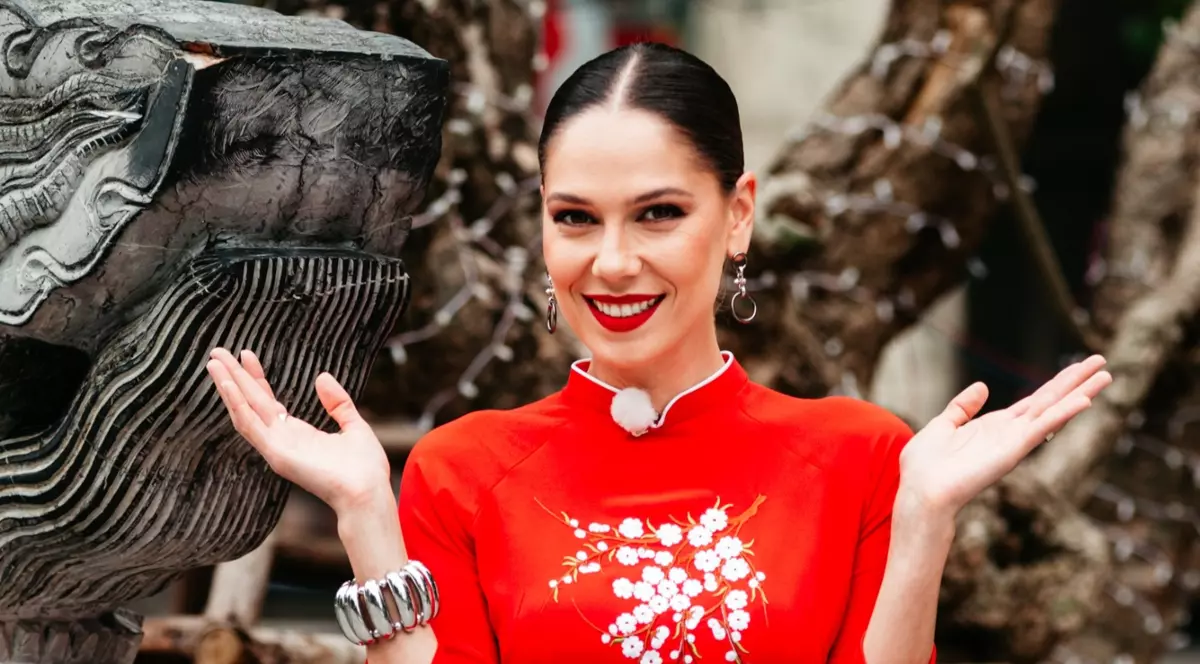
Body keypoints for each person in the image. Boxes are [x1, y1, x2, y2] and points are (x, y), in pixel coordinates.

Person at [205, 42, 1112, 664]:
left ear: (739, 215)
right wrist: (368, 516)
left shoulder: (862, 457)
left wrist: (925, 522)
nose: (611, 262)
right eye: (575, 218)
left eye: (659, 214)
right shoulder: (463, 469)